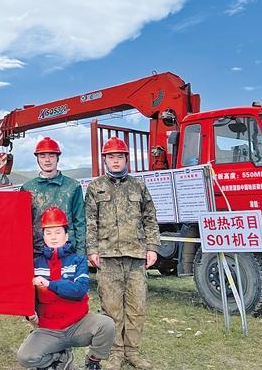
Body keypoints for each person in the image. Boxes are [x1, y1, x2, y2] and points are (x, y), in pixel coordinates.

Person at [85, 138, 159, 370]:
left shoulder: (138, 186)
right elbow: (90, 222)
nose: (115, 161)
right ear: (105, 160)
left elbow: (150, 218)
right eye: (111, 157)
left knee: (137, 307)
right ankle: (116, 353)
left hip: (136, 256)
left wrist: (152, 247)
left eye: (119, 156)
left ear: (126, 159)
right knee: (111, 308)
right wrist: (92, 250)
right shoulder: (95, 187)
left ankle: (133, 352)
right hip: (107, 257)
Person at [17, 206, 115, 370]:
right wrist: (29, 313)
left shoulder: (78, 260)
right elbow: (26, 295)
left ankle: (93, 361)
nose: (53, 237)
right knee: (25, 357)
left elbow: (80, 290)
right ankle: (59, 357)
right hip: (49, 329)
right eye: (48, 233)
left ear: (66, 235)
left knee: (106, 325)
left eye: (58, 232)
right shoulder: (35, 264)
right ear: (43, 236)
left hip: (78, 324)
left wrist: (50, 284)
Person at [21, 137, 86, 256]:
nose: (47, 160)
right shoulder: (27, 188)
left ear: (57, 158)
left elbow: (80, 221)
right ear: (37, 159)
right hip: (38, 253)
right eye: (42, 156)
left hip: (68, 252)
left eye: (51, 155)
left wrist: (81, 254)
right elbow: (23, 226)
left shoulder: (72, 186)